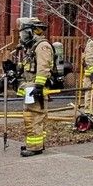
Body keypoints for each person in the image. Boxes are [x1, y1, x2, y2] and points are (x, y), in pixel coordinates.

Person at [16, 17, 56, 157]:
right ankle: (36, 144)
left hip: (35, 88)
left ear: (32, 31)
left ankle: (34, 147)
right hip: (31, 87)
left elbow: (43, 67)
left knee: (33, 117)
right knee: (35, 117)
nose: (21, 36)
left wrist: (38, 87)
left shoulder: (42, 46)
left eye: (24, 32)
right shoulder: (33, 46)